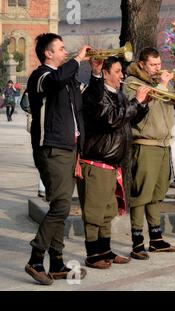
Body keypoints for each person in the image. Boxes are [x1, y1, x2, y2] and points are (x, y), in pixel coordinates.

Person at [25, 33, 92, 285]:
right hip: (51, 148)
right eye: (61, 49)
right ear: (47, 54)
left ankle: (56, 262)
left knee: (60, 206)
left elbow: (86, 100)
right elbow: (56, 79)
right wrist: (77, 60)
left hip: (69, 149)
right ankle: (35, 258)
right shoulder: (41, 76)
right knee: (62, 206)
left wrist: (95, 72)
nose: (65, 52)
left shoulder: (67, 80)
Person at [77, 57, 150, 269]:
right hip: (96, 161)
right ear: (106, 73)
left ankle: (105, 250)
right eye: (118, 71)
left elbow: (129, 118)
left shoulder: (117, 95)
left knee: (107, 211)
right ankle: (92, 254)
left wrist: (143, 105)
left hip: (111, 163)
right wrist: (136, 102)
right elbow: (111, 119)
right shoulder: (94, 94)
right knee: (94, 212)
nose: (122, 76)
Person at [122, 47, 175, 259]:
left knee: (156, 194)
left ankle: (156, 239)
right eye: (153, 65)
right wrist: (162, 85)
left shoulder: (162, 84)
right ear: (142, 64)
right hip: (144, 145)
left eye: (159, 64)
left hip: (163, 145)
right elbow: (139, 112)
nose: (158, 68)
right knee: (140, 195)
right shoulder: (132, 84)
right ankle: (137, 242)